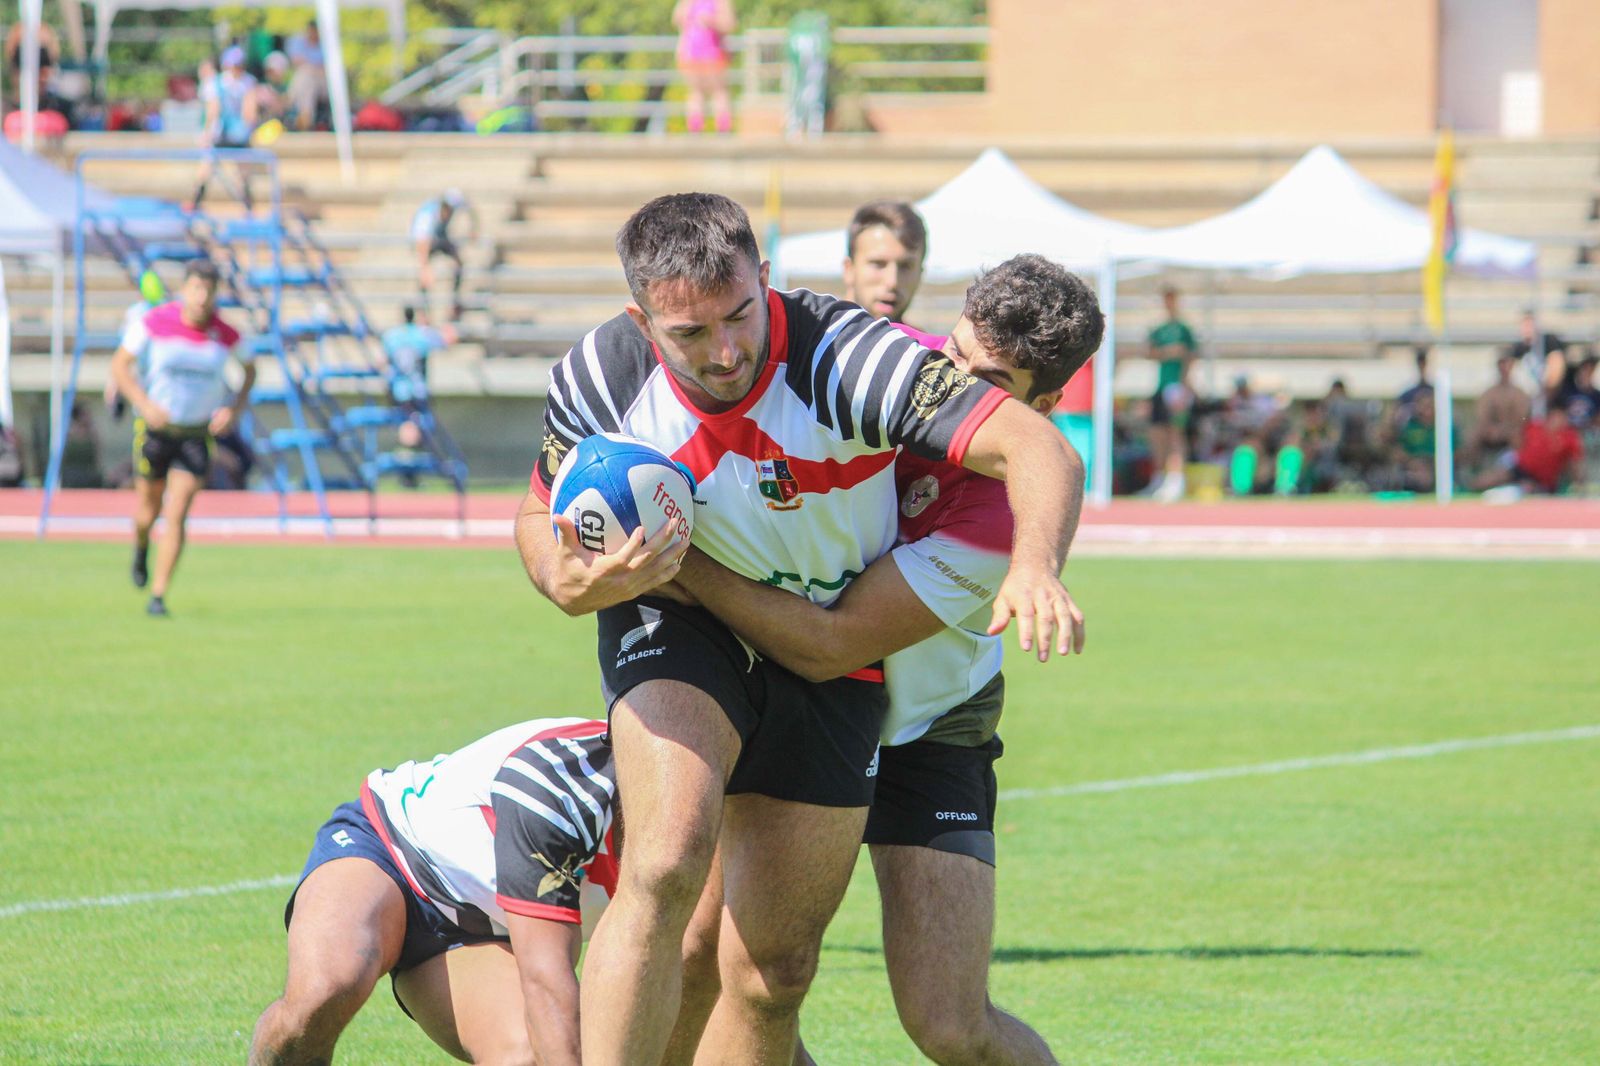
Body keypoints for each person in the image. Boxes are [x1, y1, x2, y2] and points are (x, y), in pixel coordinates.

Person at [514, 192, 1085, 1066]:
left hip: (900, 702)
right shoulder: (608, 373)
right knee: (671, 877)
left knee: (823, 986)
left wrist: (1038, 564)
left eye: (740, 317)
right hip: (717, 637)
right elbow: (542, 503)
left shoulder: (961, 488)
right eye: (690, 334)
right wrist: (565, 576)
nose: (726, 352)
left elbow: (827, 640)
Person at [664, 254, 1100, 1066]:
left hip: (927, 729)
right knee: (717, 961)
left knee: (949, 1024)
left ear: (1045, 405)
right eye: (954, 358)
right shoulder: (890, 366)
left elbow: (830, 644)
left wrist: (673, 554)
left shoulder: (1001, 519)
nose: (959, 392)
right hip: (796, 696)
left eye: (994, 383)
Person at [249, 716, 619, 1066]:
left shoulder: (673, 851)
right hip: (393, 845)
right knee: (328, 988)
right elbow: (546, 980)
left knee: (526, 1054)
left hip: (490, 932)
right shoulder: (560, 785)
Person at [110, 259, 254, 617]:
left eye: (209, 290)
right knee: (149, 509)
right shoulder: (155, 323)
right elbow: (120, 366)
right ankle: (141, 545)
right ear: (185, 290)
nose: (202, 297)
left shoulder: (226, 334)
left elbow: (250, 371)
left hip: (196, 434)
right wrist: (144, 404)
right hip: (157, 431)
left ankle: (158, 595)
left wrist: (232, 409)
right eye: (196, 289)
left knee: (178, 511)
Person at [1142, 285, 1197, 501]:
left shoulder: (1184, 329)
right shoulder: (1159, 329)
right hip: (1161, 385)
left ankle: (1176, 479)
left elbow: (1190, 356)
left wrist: (1184, 385)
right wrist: (1169, 352)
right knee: (1157, 434)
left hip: (1177, 387)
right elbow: (1150, 352)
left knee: (1175, 433)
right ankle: (1159, 478)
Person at [192, 47, 260, 209]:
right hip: (237, 134)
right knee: (242, 174)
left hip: (221, 134)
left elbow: (212, 112)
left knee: (206, 169)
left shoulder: (216, 83)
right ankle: (248, 210)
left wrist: (206, 134)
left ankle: (195, 205)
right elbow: (249, 114)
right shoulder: (248, 82)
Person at [841, 200, 928, 324]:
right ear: (849, 269)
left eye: (905, 267)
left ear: (921, 274)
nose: (892, 282)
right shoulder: (812, 338)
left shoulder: (922, 343)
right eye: (878, 264)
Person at [1471, 405, 1584, 496]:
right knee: (1492, 478)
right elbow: (1516, 439)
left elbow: (1574, 463)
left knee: (1526, 489)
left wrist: (1578, 483)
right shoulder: (1535, 427)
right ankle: (1469, 487)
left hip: (1541, 481)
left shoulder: (1569, 437)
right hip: (1521, 468)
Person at [412, 190, 478, 322]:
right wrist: (425, 268)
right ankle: (423, 311)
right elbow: (422, 244)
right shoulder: (426, 219)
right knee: (424, 278)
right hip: (427, 241)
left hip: (441, 235)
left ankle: (454, 302)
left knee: (459, 263)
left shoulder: (454, 201)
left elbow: (470, 209)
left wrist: (474, 229)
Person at [673, 0, 735, 134]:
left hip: (714, 54)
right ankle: (695, 129)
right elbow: (677, 19)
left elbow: (729, 23)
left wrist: (712, 21)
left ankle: (723, 129)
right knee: (696, 92)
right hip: (692, 54)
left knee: (719, 92)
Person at [1465, 350, 1530, 468]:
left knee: (1518, 437)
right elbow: (1481, 415)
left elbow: (1522, 419)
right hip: (1491, 432)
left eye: (1507, 363)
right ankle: (1473, 472)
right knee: (1473, 436)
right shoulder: (1490, 393)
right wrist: (1490, 429)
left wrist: (1503, 431)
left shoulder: (1519, 394)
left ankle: (1519, 471)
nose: (1504, 367)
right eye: (1501, 363)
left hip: (1511, 432)